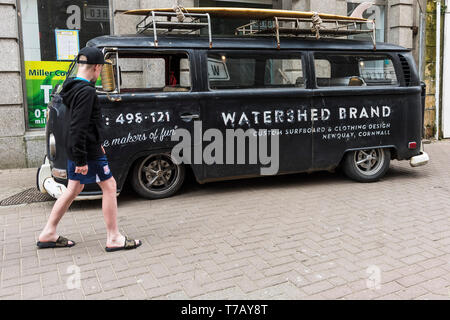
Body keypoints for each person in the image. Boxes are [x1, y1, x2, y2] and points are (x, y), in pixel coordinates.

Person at [37, 47, 142, 252]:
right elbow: (78, 127)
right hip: (86, 151)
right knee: (110, 186)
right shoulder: (86, 92)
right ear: (96, 67)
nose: (99, 74)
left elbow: (76, 125)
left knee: (74, 189)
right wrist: (82, 160)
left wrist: (80, 153)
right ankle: (114, 238)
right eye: (100, 70)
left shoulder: (69, 87)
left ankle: (48, 233)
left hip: (78, 149)